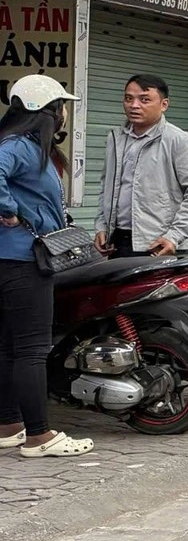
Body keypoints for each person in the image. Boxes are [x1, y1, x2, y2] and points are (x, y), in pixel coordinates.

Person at [0, 75, 92, 458]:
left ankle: (8, 426)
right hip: (24, 262)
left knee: (9, 347)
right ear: (48, 110)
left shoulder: (24, 146)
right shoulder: (19, 147)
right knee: (32, 349)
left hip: (12, 260)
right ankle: (39, 436)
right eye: (62, 106)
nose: (65, 113)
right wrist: (10, 210)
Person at [94, 73, 188, 256]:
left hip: (159, 244)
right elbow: (106, 188)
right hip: (118, 241)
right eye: (128, 98)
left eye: (144, 100)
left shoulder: (180, 141)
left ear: (164, 104)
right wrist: (101, 226)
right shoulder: (115, 139)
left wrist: (174, 236)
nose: (134, 105)